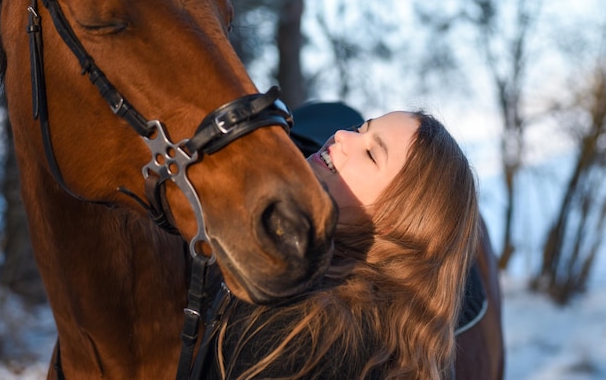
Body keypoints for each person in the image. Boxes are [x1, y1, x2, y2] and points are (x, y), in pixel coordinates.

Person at [205, 107, 480, 380]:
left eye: (372, 154)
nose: (341, 136)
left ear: (394, 222)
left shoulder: (310, 338)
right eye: (360, 129)